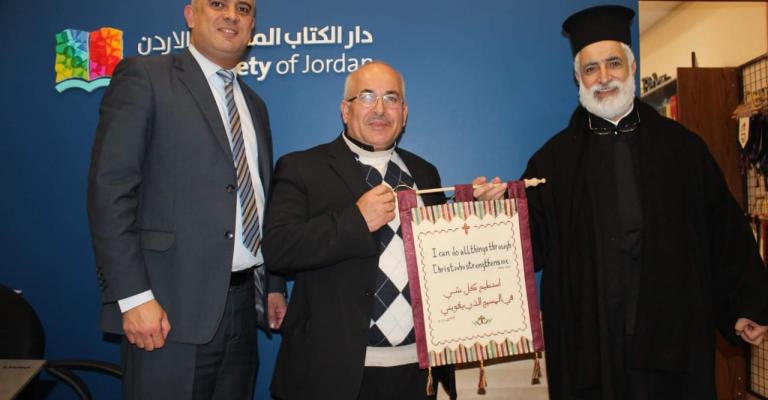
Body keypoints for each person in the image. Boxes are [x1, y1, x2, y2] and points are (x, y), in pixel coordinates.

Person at [520, 5, 768, 400]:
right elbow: (530, 243)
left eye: (613, 63)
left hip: (673, 340)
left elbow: (723, 231)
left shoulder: (684, 149)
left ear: (632, 67)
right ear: (578, 78)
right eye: (591, 68)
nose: (604, 77)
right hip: (592, 348)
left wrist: (748, 302)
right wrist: (498, 209)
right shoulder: (551, 163)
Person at [263, 61, 505, 400]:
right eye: (366, 97)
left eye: (391, 98)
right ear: (345, 110)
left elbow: (441, 256)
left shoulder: (424, 171)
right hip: (332, 373)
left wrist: (474, 211)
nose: (379, 109)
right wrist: (357, 221)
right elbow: (278, 249)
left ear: (404, 113)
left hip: (417, 371)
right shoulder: (302, 167)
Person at [86, 0, 287, 398]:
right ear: (191, 15)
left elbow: (257, 199)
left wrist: (273, 282)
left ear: (252, 27)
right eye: (218, 4)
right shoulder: (145, 76)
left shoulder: (255, 105)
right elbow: (110, 190)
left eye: (243, 9)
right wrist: (133, 297)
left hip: (243, 309)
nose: (231, 15)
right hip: (166, 310)